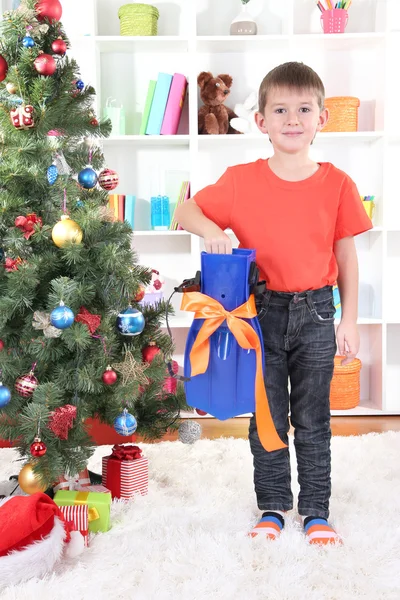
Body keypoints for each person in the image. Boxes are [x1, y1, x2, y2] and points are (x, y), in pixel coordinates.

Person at [176, 62, 372, 545]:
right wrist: (213, 231)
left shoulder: (338, 183)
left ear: (322, 118)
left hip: (318, 316)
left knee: (313, 418)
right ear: (260, 121)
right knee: (266, 416)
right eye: (279, 109)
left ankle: (316, 510)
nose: (292, 118)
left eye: (304, 109)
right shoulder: (240, 180)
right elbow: (186, 209)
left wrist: (350, 318)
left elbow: (345, 255)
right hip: (257, 317)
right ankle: (272, 506)